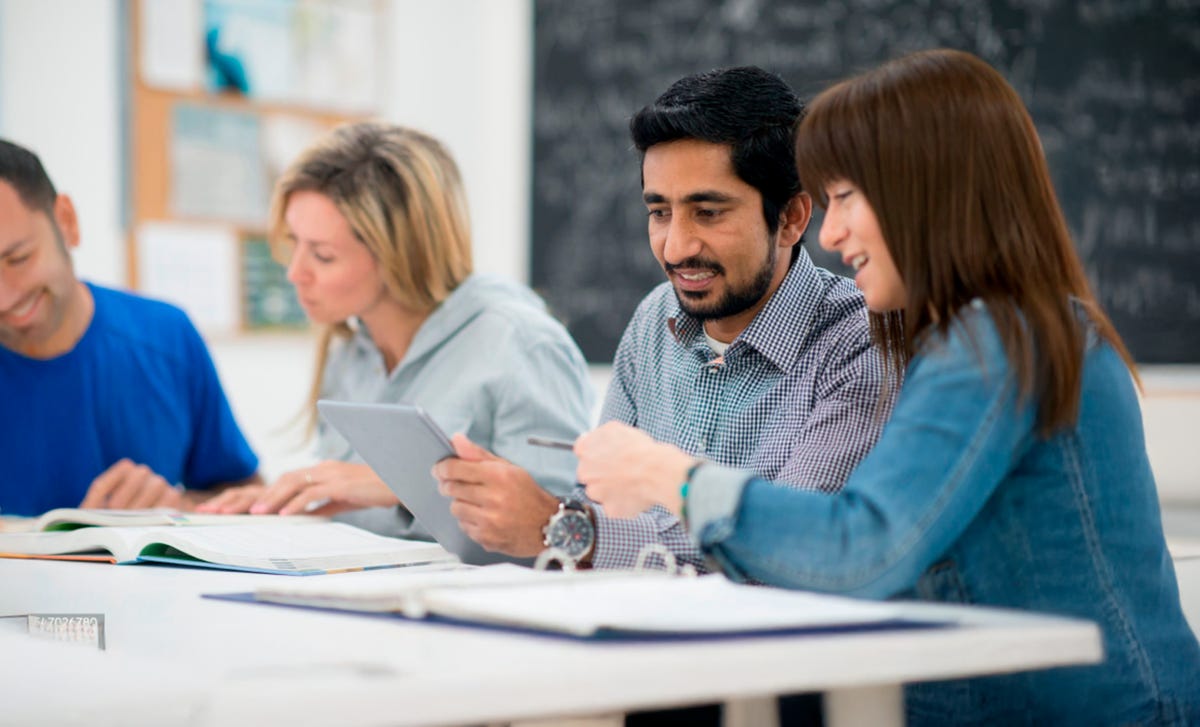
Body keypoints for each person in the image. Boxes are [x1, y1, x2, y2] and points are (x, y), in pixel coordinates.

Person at [574, 49, 1200, 724]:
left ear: (926, 193)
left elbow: (861, 548)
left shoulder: (996, 339)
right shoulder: (978, 335)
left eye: (846, 198)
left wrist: (679, 479)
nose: (833, 233)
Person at [434, 66, 891, 571]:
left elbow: (783, 550)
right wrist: (540, 517)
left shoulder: (861, 343)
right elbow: (599, 498)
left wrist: (563, 530)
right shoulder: (655, 319)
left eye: (708, 212)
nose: (676, 247)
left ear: (791, 219)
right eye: (659, 212)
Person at [199, 122, 593, 538]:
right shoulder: (352, 352)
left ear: (398, 255)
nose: (295, 273)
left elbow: (563, 535)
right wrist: (276, 508)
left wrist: (401, 486)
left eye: (323, 255)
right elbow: (356, 516)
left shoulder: (519, 343)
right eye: (293, 243)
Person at [0, 139, 260, 516]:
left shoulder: (166, 337)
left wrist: (177, 506)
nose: (4, 299)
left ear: (67, 222)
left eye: (17, 259)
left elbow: (248, 496)